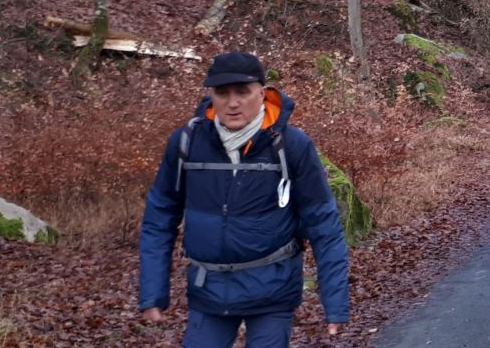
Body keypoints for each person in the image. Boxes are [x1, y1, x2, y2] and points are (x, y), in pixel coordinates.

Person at [139, 52, 351, 348]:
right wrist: (152, 293)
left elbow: (323, 225)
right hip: (208, 290)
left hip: (272, 289)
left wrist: (335, 304)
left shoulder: (291, 145)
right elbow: (159, 218)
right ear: (211, 94)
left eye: (242, 91)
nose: (232, 102)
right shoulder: (187, 143)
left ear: (262, 93)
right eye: (222, 93)